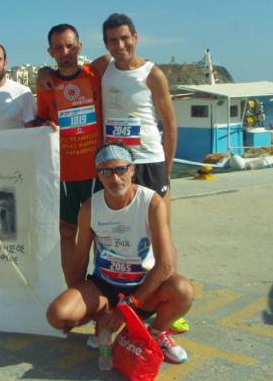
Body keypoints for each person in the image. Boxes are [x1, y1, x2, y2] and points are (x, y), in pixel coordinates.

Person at [46, 142, 193, 364]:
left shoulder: (152, 202)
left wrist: (127, 308)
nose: (114, 178)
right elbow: (80, 259)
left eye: (121, 169)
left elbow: (166, 266)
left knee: (183, 290)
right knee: (57, 315)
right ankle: (103, 322)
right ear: (98, 175)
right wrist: (81, 305)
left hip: (144, 288)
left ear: (132, 169)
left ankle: (157, 332)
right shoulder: (90, 208)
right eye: (106, 172)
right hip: (105, 287)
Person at [36, 25, 105, 285]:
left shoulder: (95, 74)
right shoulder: (46, 84)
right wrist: (42, 124)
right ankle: (74, 288)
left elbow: (118, 58)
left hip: (95, 171)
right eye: (58, 47)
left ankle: (100, 286)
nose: (65, 52)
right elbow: (40, 119)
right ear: (50, 52)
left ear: (80, 47)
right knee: (67, 233)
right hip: (63, 174)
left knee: (100, 232)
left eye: (70, 46)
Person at [101, 13, 177, 221]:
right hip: (116, 164)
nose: (120, 45)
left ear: (136, 37)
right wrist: (45, 71)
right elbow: (72, 71)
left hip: (149, 161)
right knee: (120, 228)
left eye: (125, 37)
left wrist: (166, 170)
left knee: (159, 228)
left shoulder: (153, 75)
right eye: (113, 40)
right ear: (106, 44)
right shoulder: (104, 66)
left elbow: (170, 126)